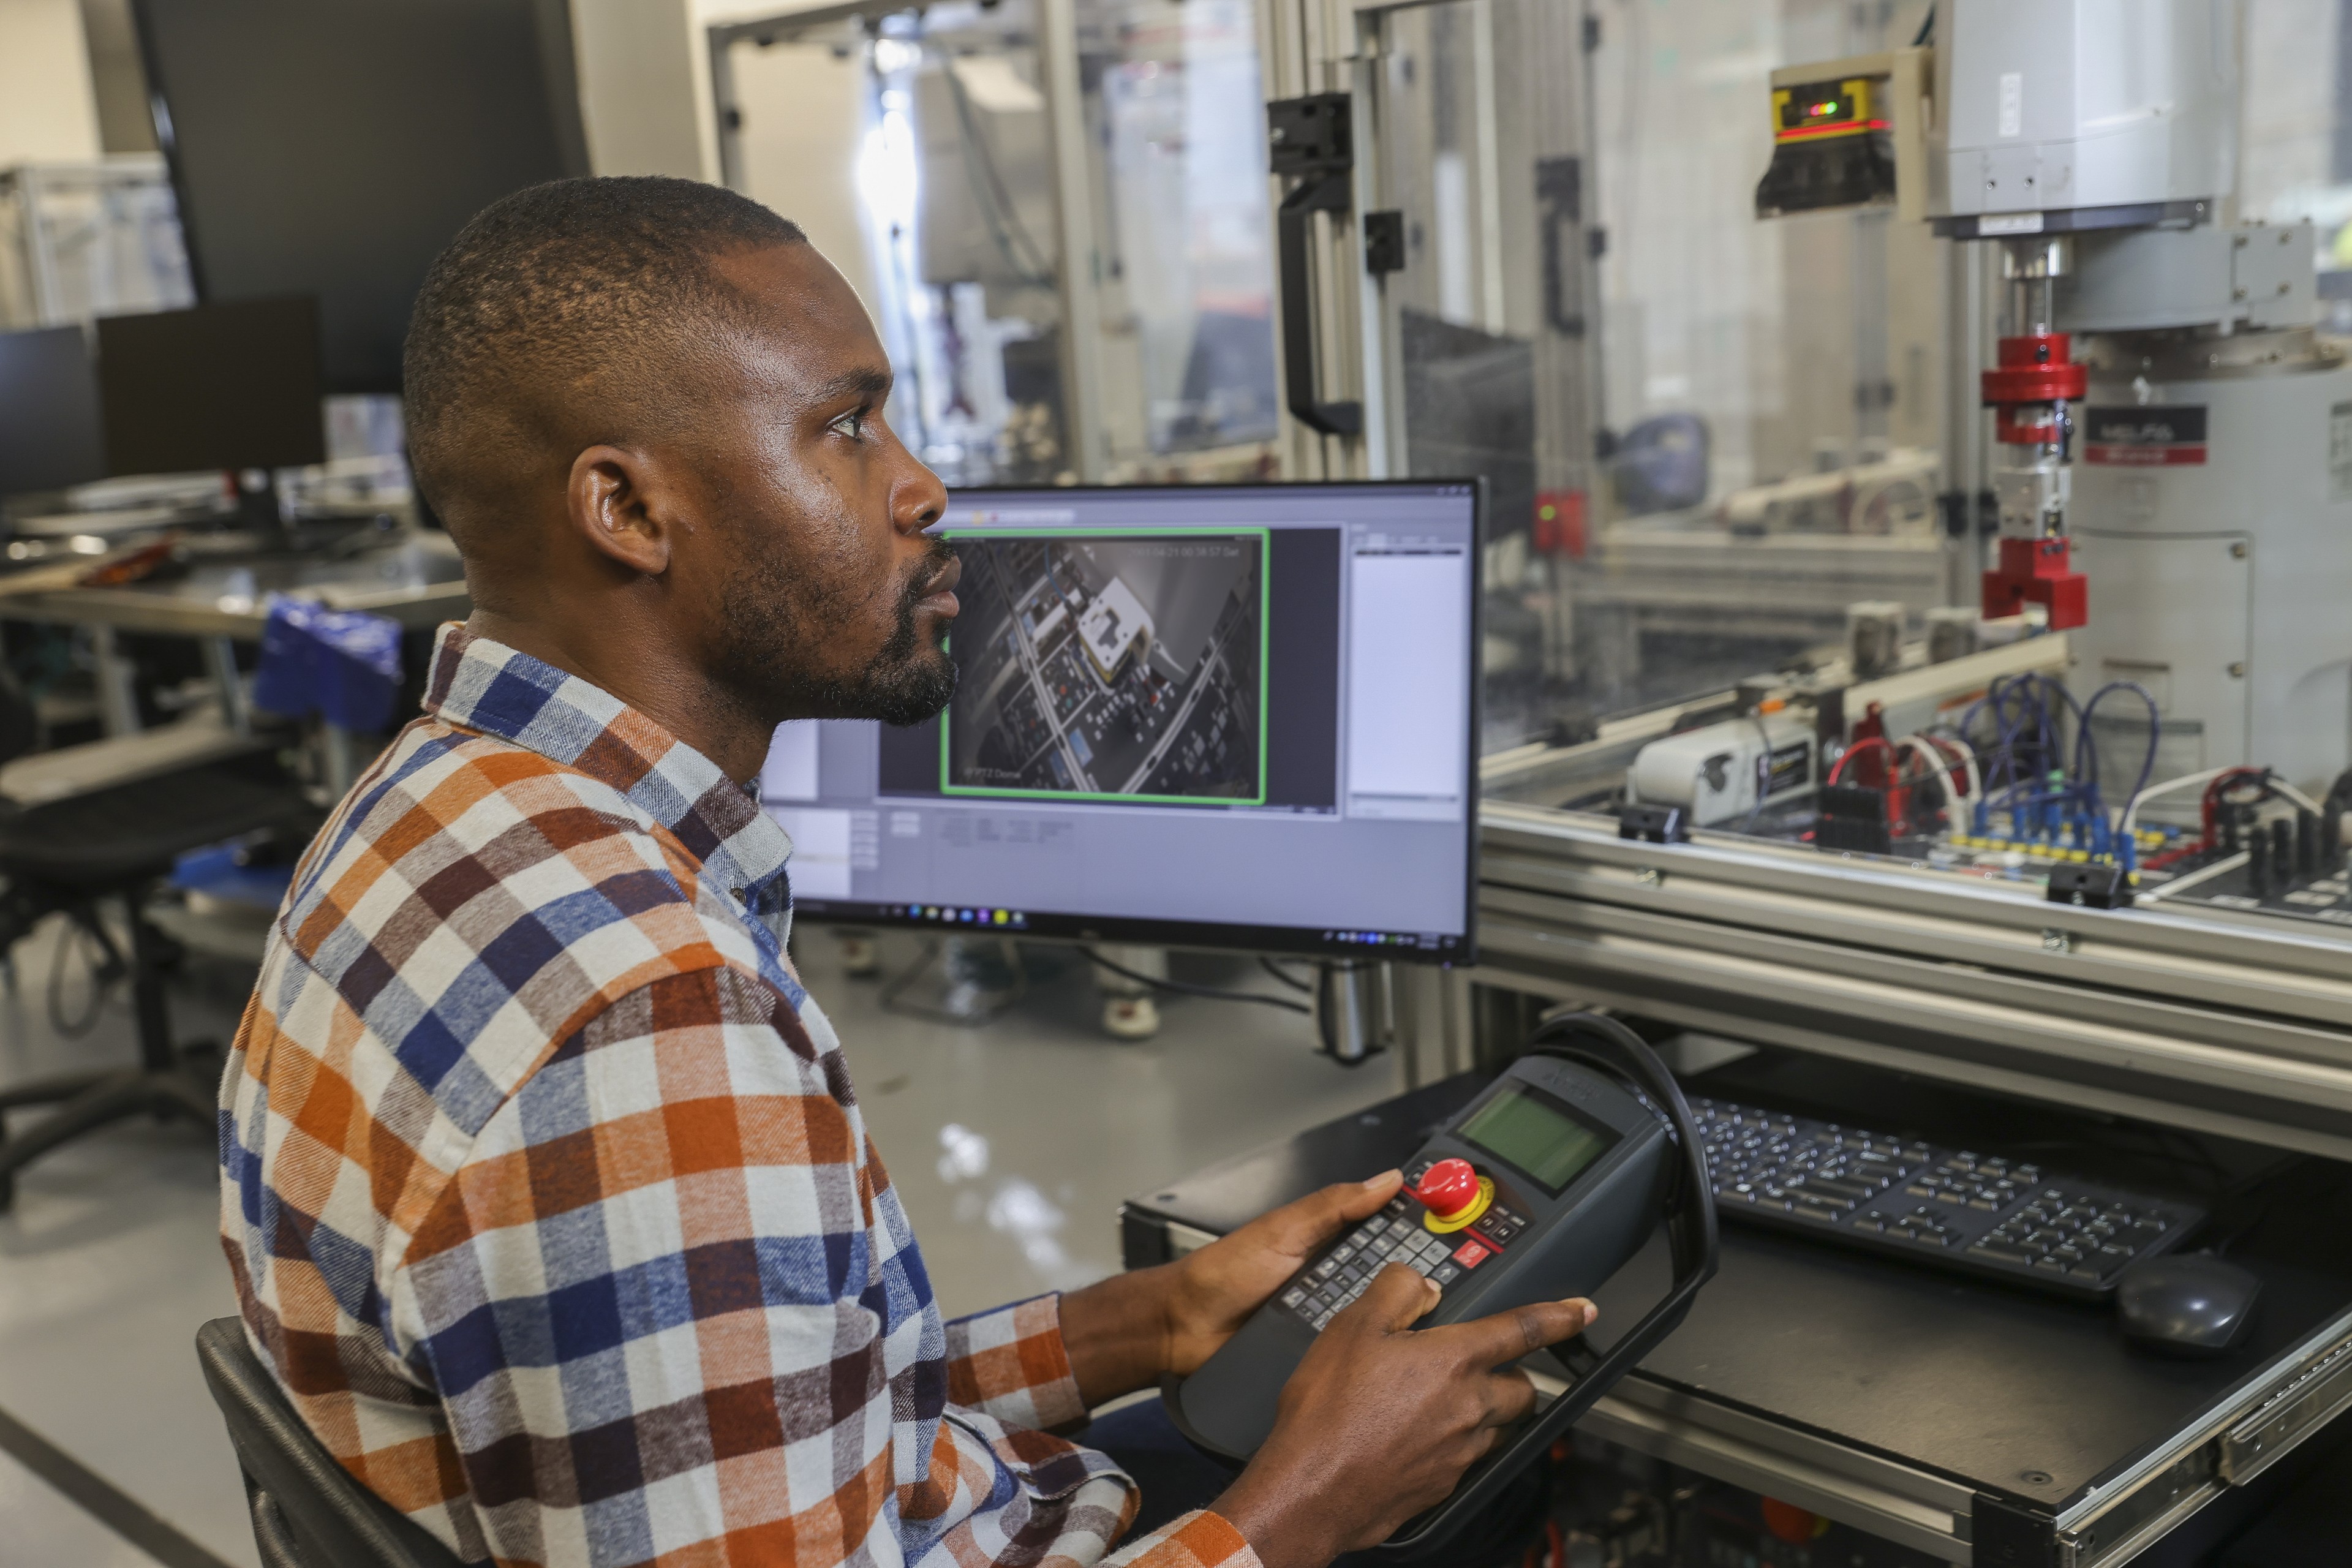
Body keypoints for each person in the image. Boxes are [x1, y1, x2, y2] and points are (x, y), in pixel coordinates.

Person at [217, 176, 1597, 1568]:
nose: (925, 486)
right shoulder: (645, 1020)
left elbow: (759, 1429)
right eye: (846, 426)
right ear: (627, 508)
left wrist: (1148, 1318)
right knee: (1498, 1476)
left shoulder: (411, 818)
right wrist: (1304, 1504)